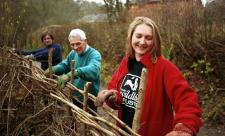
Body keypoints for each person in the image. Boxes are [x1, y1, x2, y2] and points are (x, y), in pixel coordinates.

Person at [95, 17, 202, 136]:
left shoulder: (165, 67)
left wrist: (184, 128)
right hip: (124, 131)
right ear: (131, 37)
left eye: (148, 38)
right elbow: (116, 91)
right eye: (138, 36)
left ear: (154, 41)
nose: (142, 42)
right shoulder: (126, 62)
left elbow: (186, 100)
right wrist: (111, 97)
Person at [45, 28, 101, 112]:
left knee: (89, 121)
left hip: (89, 97)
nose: (75, 47)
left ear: (85, 41)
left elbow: (93, 69)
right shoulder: (73, 53)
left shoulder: (94, 54)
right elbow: (66, 65)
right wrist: (55, 69)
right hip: (74, 94)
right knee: (73, 120)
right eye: (72, 44)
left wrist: (75, 72)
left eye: (78, 43)